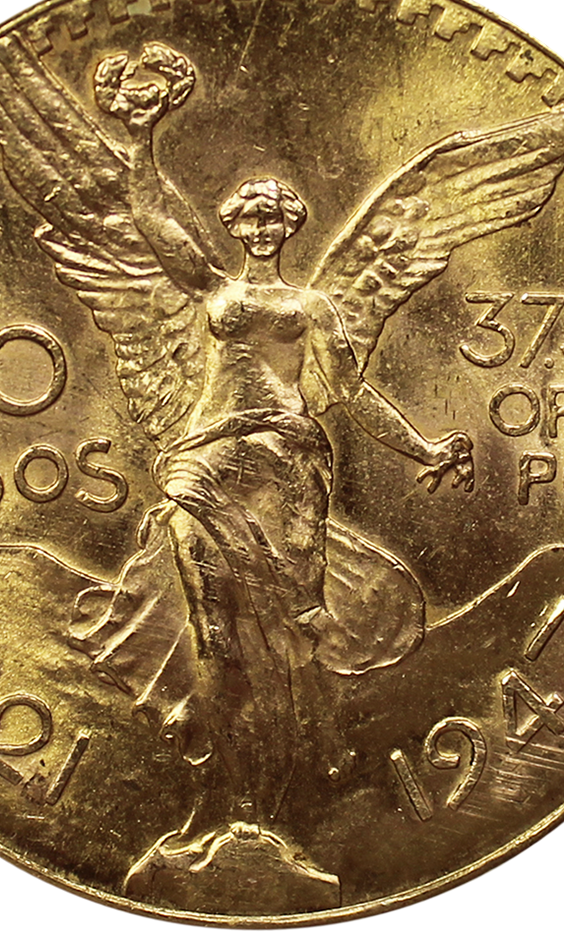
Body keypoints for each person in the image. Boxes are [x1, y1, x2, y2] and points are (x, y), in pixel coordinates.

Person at [79, 80, 472, 844]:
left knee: (291, 636)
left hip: (286, 465)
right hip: (206, 458)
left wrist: (424, 447)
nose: (262, 227)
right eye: (250, 216)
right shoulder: (210, 289)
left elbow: (352, 394)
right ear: (233, 225)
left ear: (291, 226)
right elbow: (155, 221)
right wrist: (141, 138)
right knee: (215, 636)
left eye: (274, 217)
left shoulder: (311, 308)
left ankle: (284, 798)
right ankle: (223, 797)